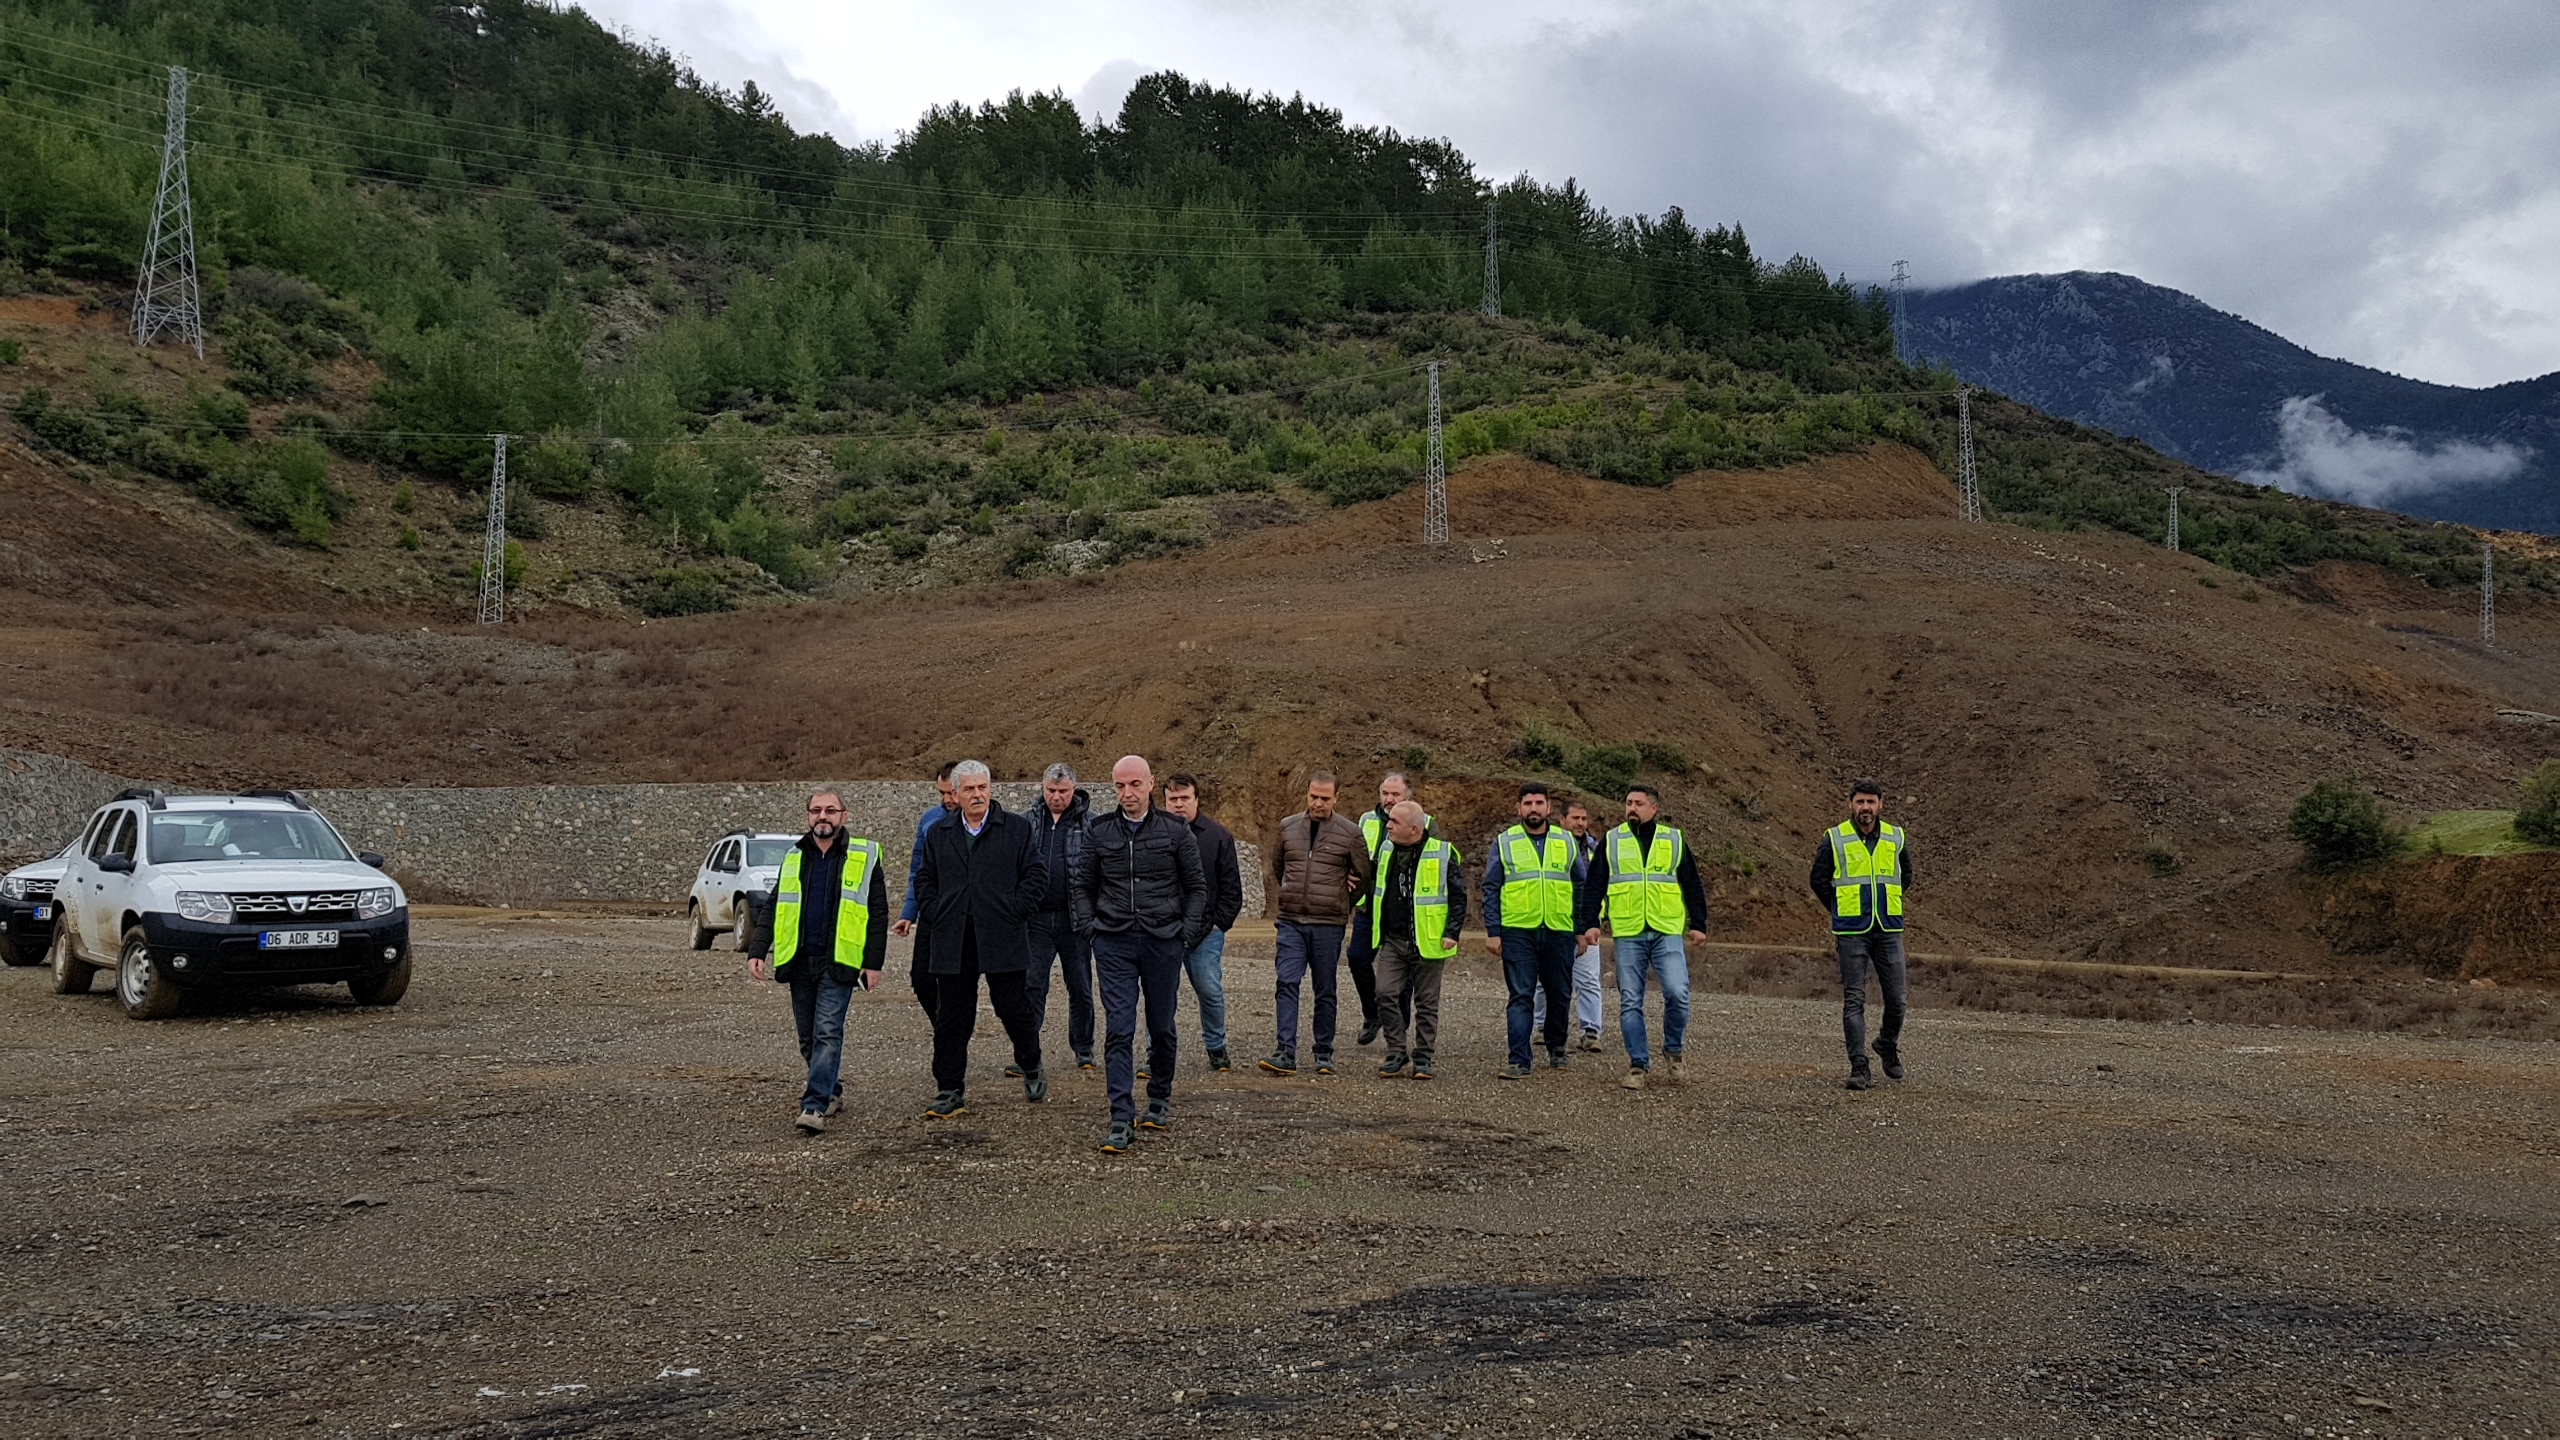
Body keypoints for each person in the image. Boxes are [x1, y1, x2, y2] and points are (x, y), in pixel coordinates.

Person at [1071, 756, 1207, 1153]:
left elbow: (1196, 888)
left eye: (1134, 784)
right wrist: (1090, 929)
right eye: (1119, 786)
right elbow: (1082, 886)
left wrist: (1184, 935)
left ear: (1151, 784)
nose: (1126, 793)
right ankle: (1120, 1115)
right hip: (1113, 940)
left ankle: (1159, 1097)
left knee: (1161, 1025)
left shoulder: (1176, 831)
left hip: (1163, 940)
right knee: (1119, 1027)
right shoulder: (1099, 832)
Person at [914, 761, 1049, 1118]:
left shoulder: (1016, 829)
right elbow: (924, 878)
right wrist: (934, 910)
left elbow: (1036, 874)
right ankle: (949, 1088)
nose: (977, 795)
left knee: (1012, 1007)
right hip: (953, 936)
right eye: (969, 789)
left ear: (990, 789)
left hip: (1002, 934)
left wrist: (1016, 909)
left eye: (982, 788)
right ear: (954, 795)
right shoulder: (939, 833)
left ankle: (1031, 1062)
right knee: (952, 1016)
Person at [748, 789, 887, 1135]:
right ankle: (831, 1090)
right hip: (799, 960)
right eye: (815, 810)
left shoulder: (865, 856)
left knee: (828, 1032)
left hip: (839, 962)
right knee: (808, 1038)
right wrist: (757, 949)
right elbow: (773, 906)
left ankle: (814, 1105)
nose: (822, 816)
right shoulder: (794, 857)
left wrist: (873, 963)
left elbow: (879, 913)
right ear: (808, 815)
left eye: (830, 810)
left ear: (844, 815)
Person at [1579, 785, 1710, 1091]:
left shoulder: (1673, 839)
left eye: (1638, 803)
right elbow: (1594, 884)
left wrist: (1698, 922)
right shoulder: (1612, 840)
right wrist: (1591, 922)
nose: (1632, 808)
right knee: (1630, 1002)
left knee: (1678, 993)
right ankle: (1638, 1065)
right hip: (1628, 931)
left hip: (1666, 930)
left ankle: (1674, 1051)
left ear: (1654, 809)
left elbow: (1691, 882)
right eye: (1628, 803)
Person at [1264, 770, 1371, 1077]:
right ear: (1307, 794)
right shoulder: (1287, 827)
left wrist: (1341, 904)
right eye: (1314, 796)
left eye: (1325, 798)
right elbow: (1278, 866)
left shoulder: (1350, 833)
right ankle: (1285, 1051)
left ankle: (1323, 1052)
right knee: (1286, 981)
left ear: (1336, 798)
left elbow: (1363, 876)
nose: (1318, 803)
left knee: (1325, 988)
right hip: (1291, 921)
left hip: (1328, 924)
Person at [1813, 779, 1913, 1091]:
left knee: (1897, 999)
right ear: (1851, 805)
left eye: (1871, 802)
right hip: (1851, 931)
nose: (1865, 808)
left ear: (1880, 805)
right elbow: (1818, 879)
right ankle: (1859, 1066)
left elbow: (1905, 875)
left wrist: (1887, 901)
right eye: (1860, 802)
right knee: (1854, 1000)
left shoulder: (1896, 837)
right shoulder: (1835, 838)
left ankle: (1886, 1043)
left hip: (1888, 929)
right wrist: (1841, 906)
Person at [1482, 783, 1587, 1078]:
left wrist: (1580, 929)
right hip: (1518, 931)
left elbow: (1580, 887)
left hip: (1558, 930)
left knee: (1560, 993)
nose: (1533, 808)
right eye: (1527, 803)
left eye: (1539, 803)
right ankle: (1518, 1059)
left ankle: (1557, 1048)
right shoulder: (1505, 842)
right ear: (1518, 809)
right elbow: (1491, 887)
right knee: (1521, 995)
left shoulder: (1565, 841)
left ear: (1549, 808)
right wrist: (1493, 930)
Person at [1367, 801, 1467, 1080]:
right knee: (1384, 992)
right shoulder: (1386, 849)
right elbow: (1374, 885)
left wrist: (1452, 932)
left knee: (1426, 1003)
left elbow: (1459, 896)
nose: (1388, 825)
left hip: (1430, 940)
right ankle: (1397, 1051)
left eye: (1394, 822)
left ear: (1414, 829)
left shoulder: (1443, 853)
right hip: (1393, 940)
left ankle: (1423, 1057)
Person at [1163, 773, 1240, 1072]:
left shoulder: (1218, 836)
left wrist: (1220, 923)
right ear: (1165, 801)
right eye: (1173, 799)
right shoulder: (1153, 834)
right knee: (1161, 995)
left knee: (1209, 990)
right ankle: (1155, 1052)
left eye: (1185, 798)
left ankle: (1216, 1046)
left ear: (1197, 800)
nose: (1179, 804)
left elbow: (1231, 887)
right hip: (1164, 930)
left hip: (1206, 932)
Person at [1023, 762, 1096, 1071]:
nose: (1056, 797)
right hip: (1036, 920)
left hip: (1074, 921)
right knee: (1032, 985)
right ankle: (1027, 1051)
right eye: (1051, 791)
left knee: (1080, 986)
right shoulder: (1026, 823)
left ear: (1074, 790)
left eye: (1063, 791)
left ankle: (1083, 1049)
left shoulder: (1091, 824)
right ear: (1043, 789)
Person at [1348, 772, 1427, 1047]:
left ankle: (1399, 1029)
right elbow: (1355, 856)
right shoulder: (1366, 821)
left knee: (1402, 975)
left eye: (1395, 794)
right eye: (1385, 793)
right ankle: (1372, 1015)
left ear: (1408, 796)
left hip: (1402, 910)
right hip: (1369, 907)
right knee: (1357, 959)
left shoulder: (1423, 824)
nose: (1389, 799)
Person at [891, 761, 960, 1019]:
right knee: (921, 979)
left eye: (951, 792)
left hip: (965, 914)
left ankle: (953, 1035)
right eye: (941, 793)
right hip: (932, 912)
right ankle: (945, 1027)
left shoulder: (981, 822)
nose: (948, 799)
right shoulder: (930, 820)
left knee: (957, 983)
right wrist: (909, 912)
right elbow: (916, 870)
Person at [1562, 801, 1608, 1051]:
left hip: (1589, 924)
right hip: (1557, 921)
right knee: (1546, 981)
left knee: (1589, 979)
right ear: (1562, 820)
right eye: (1575, 818)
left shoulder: (1596, 849)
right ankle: (1541, 1027)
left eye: (1583, 819)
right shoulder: (1551, 846)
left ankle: (1590, 1032)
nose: (1580, 823)